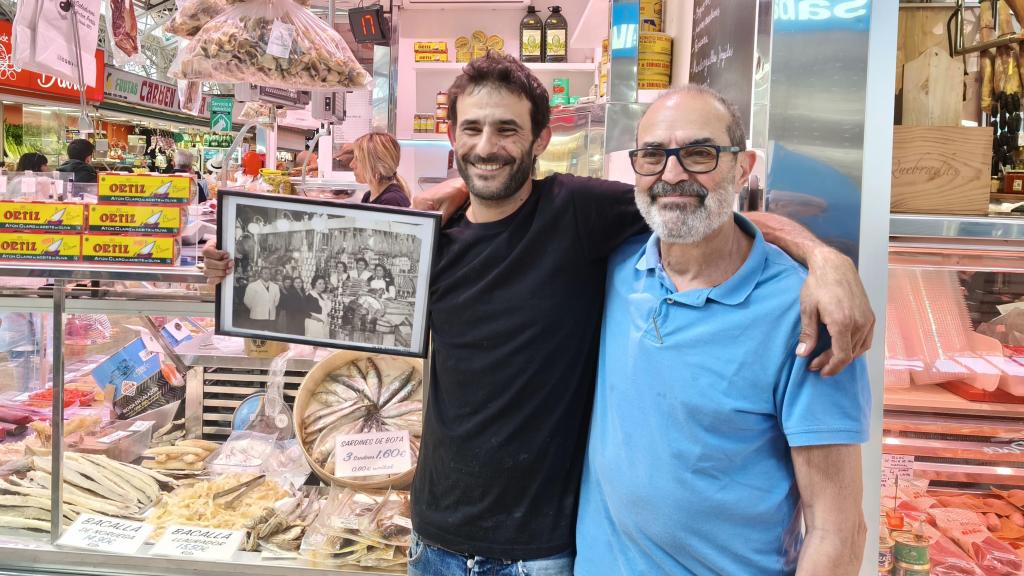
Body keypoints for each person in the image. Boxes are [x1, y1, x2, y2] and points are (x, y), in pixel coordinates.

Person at [202, 53, 874, 574]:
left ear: (539, 140)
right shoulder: (424, 246)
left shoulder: (580, 217)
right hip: (431, 536)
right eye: (472, 128)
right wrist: (236, 280)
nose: (488, 145)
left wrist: (825, 258)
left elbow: (702, 213)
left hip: (543, 551)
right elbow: (300, 328)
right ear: (451, 136)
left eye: (506, 129)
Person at [574, 87, 871, 575]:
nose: (672, 174)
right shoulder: (617, 266)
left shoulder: (804, 314)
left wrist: (823, 259)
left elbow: (836, 532)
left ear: (743, 167)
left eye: (699, 153)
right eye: (652, 155)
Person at [351, 132, 412, 207]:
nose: (351, 165)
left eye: (358, 159)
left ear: (377, 166)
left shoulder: (391, 200)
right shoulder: (368, 196)